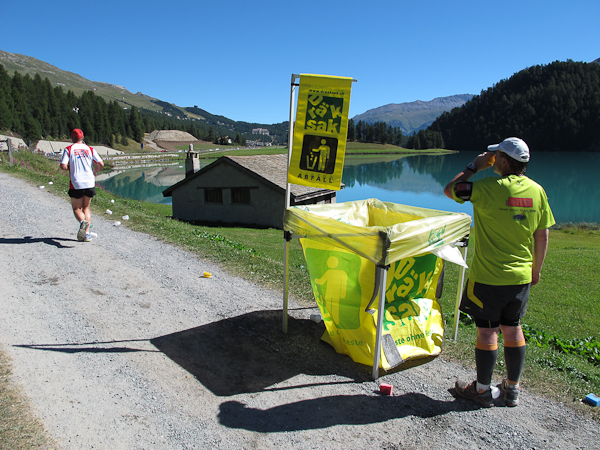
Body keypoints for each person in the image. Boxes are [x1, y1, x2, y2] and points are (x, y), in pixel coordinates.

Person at [443, 137, 555, 408]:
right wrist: (536, 270)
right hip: (519, 277)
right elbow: (542, 236)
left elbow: (450, 190)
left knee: (487, 332)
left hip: (487, 278)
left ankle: (482, 390)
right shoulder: (537, 191)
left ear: (504, 161)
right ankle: (512, 389)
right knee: (513, 328)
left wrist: (475, 166)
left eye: (496, 156)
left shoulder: (487, 188)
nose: (492, 159)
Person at [60, 129, 104, 242]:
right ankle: (87, 234)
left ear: (72, 138)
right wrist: (95, 171)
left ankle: (82, 222)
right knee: (86, 208)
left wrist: (70, 167)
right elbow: (101, 164)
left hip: (76, 182)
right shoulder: (90, 149)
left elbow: (63, 166)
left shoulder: (69, 149)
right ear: (82, 137)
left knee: (76, 208)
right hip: (89, 182)